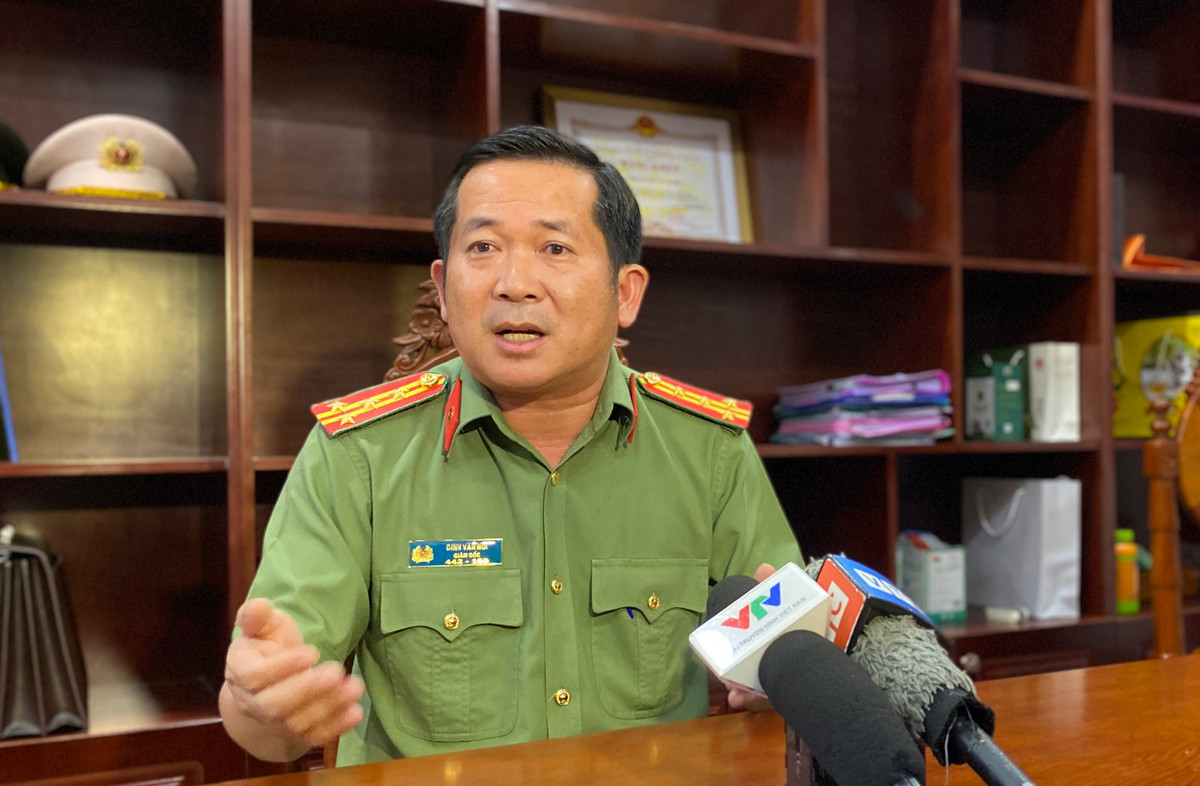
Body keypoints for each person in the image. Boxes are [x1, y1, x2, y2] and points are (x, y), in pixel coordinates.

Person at [219, 125, 802, 765]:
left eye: (555, 247)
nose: (514, 283)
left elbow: (791, 667)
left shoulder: (709, 450)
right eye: (484, 247)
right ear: (443, 289)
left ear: (625, 292)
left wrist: (776, 680)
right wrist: (264, 704)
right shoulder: (357, 454)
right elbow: (268, 719)